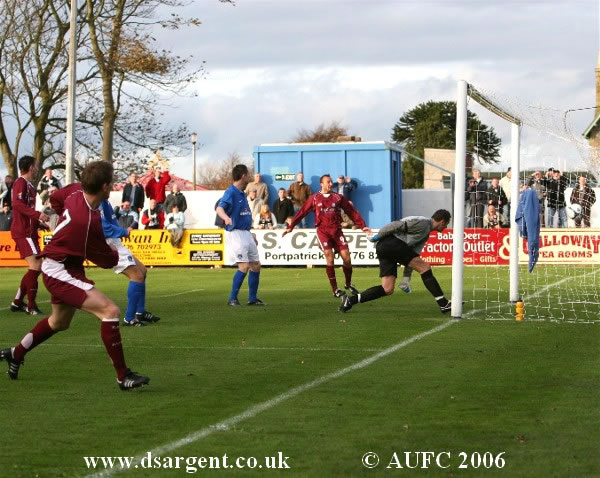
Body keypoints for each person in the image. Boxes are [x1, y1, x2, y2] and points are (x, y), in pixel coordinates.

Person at [0, 161, 149, 390]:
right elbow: (107, 260)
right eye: (111, 183)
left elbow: (56, 198)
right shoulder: (87, 222)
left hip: (65, 266)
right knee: (110, 311)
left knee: (59, 322)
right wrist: (113, 249)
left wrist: (62, 220)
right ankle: (123, 376)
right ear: (104, 187)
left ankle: (16, 353)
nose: (112, 187)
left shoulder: (76, 191)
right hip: (60, 270)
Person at [339, 210, 452, 314]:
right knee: (425, 267)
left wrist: (406, 279)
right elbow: (395, 225)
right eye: (446, 224)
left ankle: (350, 300)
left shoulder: (426, 232)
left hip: (385, 247)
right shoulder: (423, 223)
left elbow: (413, 256)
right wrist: (376, 236)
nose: (446, 227)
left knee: (387, 289)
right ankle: (443, 303)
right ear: (442, 222)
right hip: (391, 244)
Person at [283, 174, 371, 297]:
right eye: (328, 182)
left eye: (331, 182)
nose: (330, 184)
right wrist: (291, 226)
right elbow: (302, 212)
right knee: (329, 257)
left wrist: (363, 226)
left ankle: (348, 284)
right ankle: (335, 289)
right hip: (323, 231)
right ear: (321, 184)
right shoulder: (315, 198)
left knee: (347, 258)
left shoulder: (338, 197)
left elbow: (351, 211)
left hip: (337, 231)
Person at [99, 198, 161, 327]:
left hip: (114, 240)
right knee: (137, 276)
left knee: (142, 271)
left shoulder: (103, 199)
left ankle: (140, 312)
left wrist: (120, 232)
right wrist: (123, 231)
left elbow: (110, 221)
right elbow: (103, 227)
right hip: (109, 242)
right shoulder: (97, 199)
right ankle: (129, 318)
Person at [216, 164, 265, 307]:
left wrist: (250, 233)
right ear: (243, 175)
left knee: (255, 265)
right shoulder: (230, 192)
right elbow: (219, 208)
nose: (249, 176)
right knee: (243, 266)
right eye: (247, 174)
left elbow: (244, 214)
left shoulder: (242, 193)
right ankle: (232, 299)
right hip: (236, 233)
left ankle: (252, 299)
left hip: (246, 233)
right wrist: (226, 217)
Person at [9, 156, 50, 315]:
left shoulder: (30, 186)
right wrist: (38, 215)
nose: (37, 169)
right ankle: (31, 306)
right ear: (31, 167)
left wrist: (38, 223)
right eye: (36, 166)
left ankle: (18, 301)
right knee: (36, 264)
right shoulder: (20, 182)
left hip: (30, 231)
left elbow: (25, 211)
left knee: (35, 267)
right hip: (23, 231)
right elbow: (17, 204)